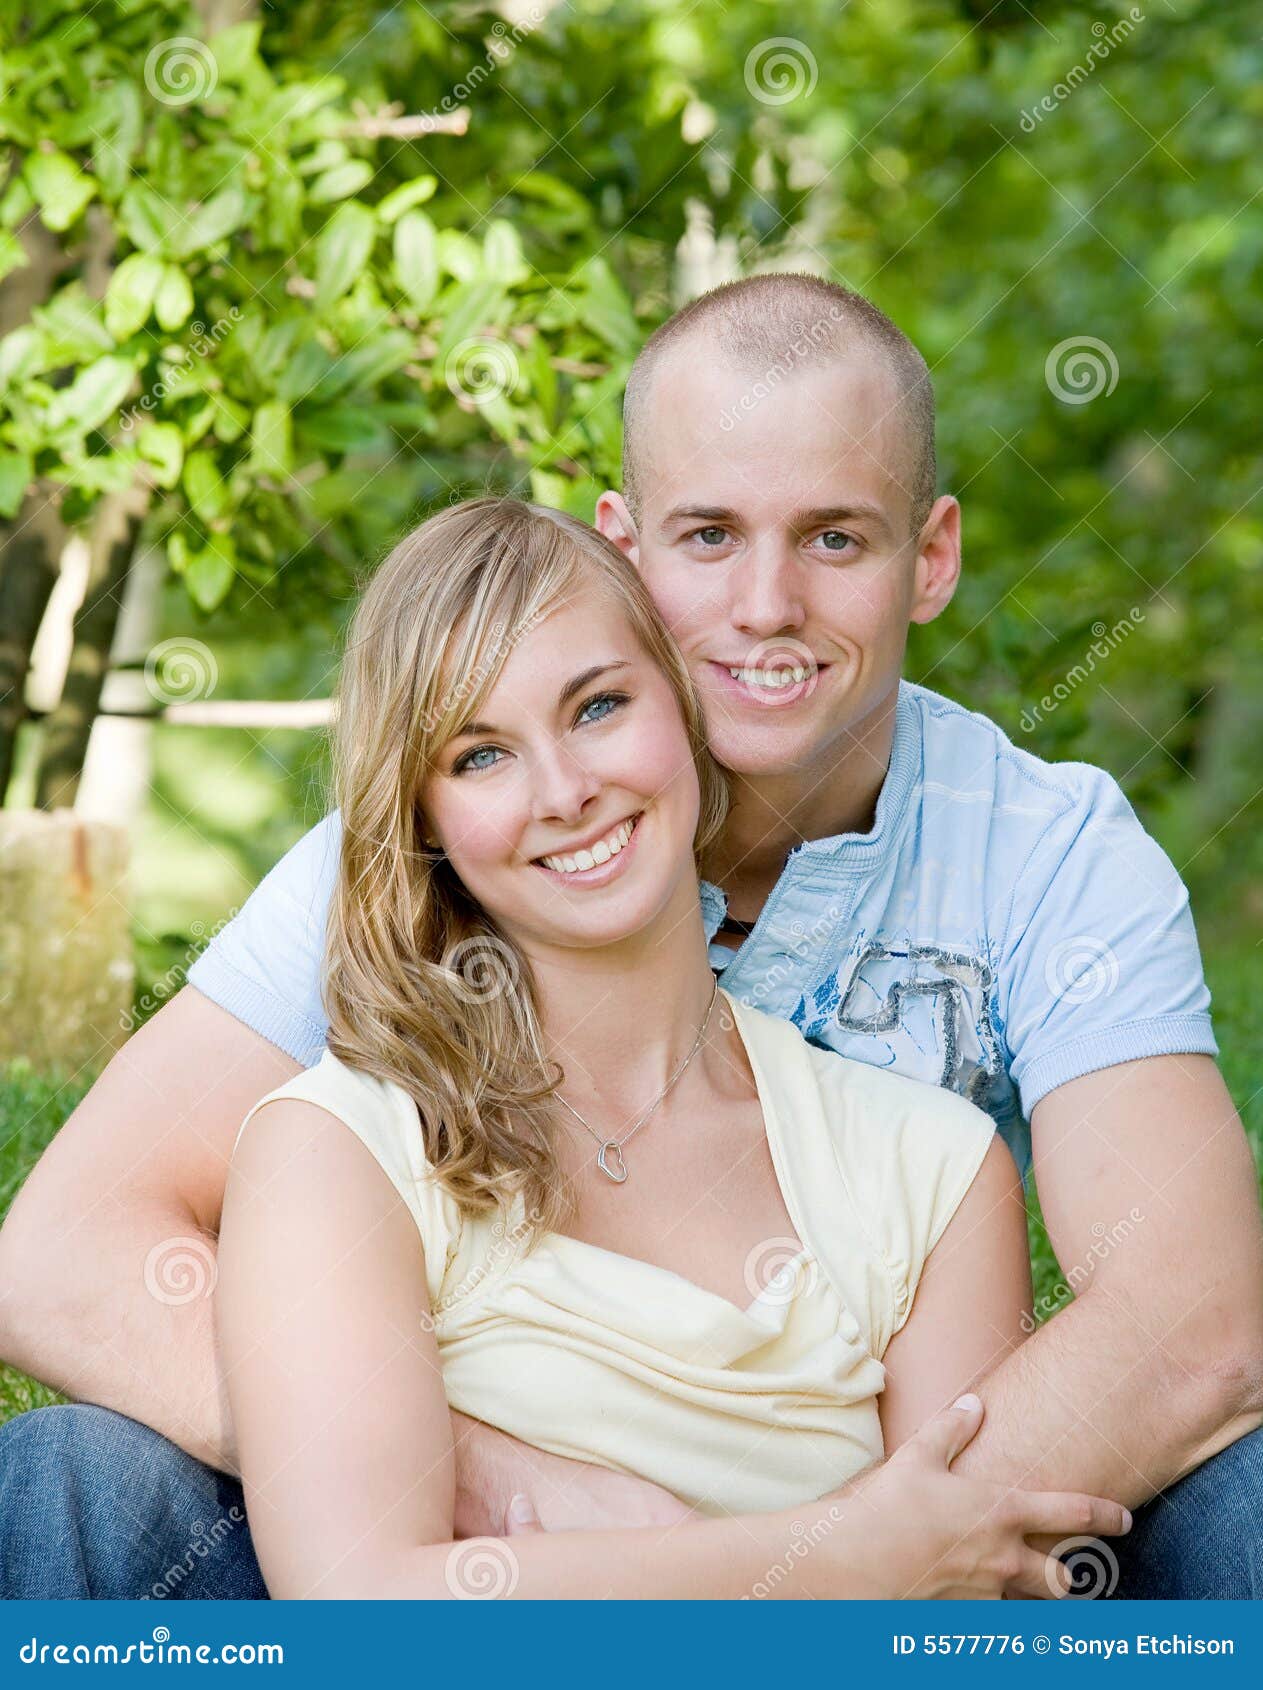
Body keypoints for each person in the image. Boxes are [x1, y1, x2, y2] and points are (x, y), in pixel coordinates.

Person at [0, 275, 1259, 1598]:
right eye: (706, 535)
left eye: (833, 538)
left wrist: (862, 1555)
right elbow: (62, 1253)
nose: (765, 603)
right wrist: (485, 1475)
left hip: (889, 1547)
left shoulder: (1043, 855)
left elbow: (1194, 1325)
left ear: (927, 556)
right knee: (82, 1479)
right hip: (468, 1579)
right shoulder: (447, 847)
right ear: (624, 548)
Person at [212, 495, 1133, 1598]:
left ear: (685, 711)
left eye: (598, 707)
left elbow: (959, 1610)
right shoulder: (338, 1150)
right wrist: (836, 1559)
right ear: (425, 822)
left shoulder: (931, 1171)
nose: (566, 791)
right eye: (482, 755)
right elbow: (362, 1612)